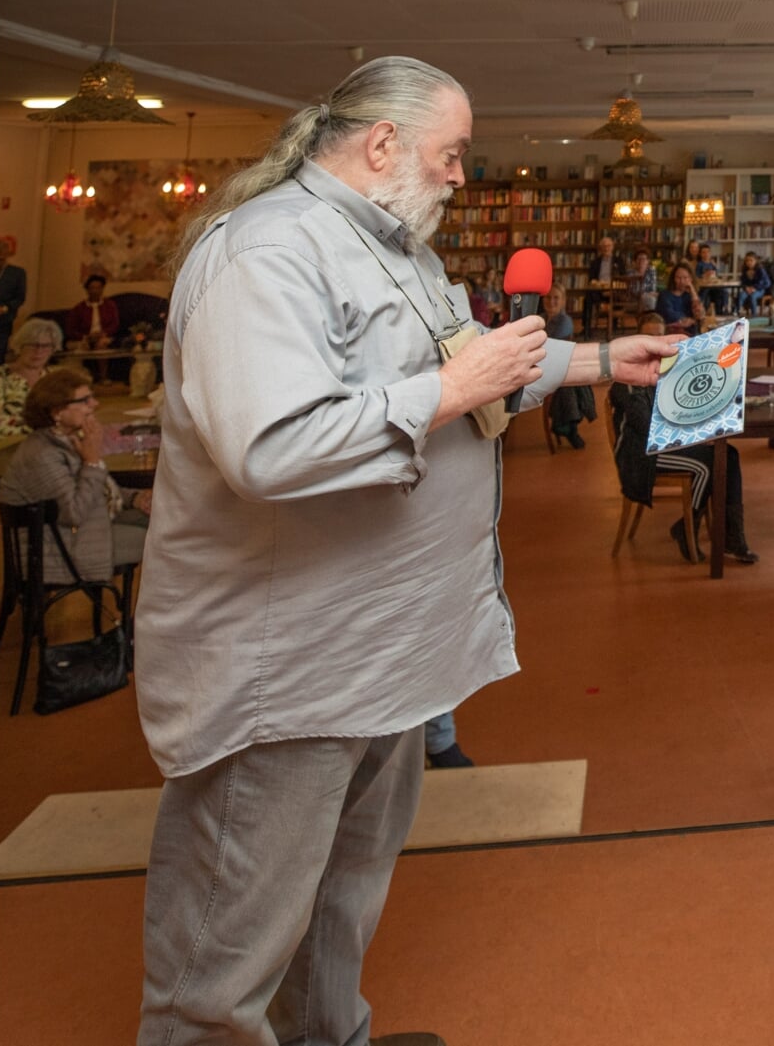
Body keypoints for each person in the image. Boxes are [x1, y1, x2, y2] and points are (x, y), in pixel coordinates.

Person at [129, 56, 674, 1046]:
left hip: (384, 653)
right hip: (287, 669)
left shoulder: (397, 252)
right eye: (454, 154)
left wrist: (601, 361)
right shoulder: (268, 251)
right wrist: (451, 391)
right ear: (383, 143)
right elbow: (269, 445)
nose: (465, 176)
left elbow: (465, 353)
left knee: (338, 901)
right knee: (226, 947)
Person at [610, 312, 758, 564]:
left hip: (665, 445)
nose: (656, 343)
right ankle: (687, 528)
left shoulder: (668, 369)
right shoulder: (629, 379)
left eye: (660, 336)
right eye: (650, 337)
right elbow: (648, 426)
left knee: (728, 455)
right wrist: (695, 434)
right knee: (705, 466)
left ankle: (733, 537)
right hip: (642, 456)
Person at [0, 368, 151, 584]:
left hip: (78, 532)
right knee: (163, 538)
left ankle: (145, 614)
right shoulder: (42, 454)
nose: (94, 404)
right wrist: (92, 461)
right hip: (59, 550)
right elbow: (74, 512)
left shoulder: (64, 439)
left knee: (163, 519)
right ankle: (153, 614)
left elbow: (97, 490)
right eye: (84, 400)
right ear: (56, 412)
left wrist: (135, 498)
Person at [0, 317, 63, 442]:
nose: (39, 351)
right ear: (19, 346)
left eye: (46, 345)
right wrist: (41, 431)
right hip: (11, 447)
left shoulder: (56, 378)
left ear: (53, 349)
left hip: (55, 443)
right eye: (32, 345)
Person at [544, 282, 596, 449]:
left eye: (556, 298)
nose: (551, 301)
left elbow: (549, 347)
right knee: (568, 378)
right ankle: (567, 427)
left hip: (553, 365)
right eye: (548, 297)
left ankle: (566, 426)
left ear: (563, 301)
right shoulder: (541, 319)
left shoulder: (564, 321)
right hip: (546, 365)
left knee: (566, 381)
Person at [66, 274, 123, 383]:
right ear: (87, 290)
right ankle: (78, 379)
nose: (95, 291)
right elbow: (71, 329)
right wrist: (85, 336)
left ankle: (103, 377)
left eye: (98, 288)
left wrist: (103, 333)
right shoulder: (79, 308)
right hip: (84, 337)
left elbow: (115, 324)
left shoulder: (110, 305)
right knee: (80, 348)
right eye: (92, 288)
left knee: (101, 345)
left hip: (104, 336)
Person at [0, 234, 27, 366]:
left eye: (4, 247)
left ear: (11, 250)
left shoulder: (17, 273)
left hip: (3, 321)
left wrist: (3, 309)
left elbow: (20, 297)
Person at [655, 262, 706, 335]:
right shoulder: (665, 295)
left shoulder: (691, 295)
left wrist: (692, 291)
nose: (682, 281)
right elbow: (670, 315)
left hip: (692, 334)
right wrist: (691, 321)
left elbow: (700, 315)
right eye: (678, 278)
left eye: (685, 278)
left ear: (691, 279)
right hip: (672, 333)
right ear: (673, 279)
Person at [735, 251, 771, 316]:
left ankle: (754, 315)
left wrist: (755, 288)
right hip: (748, 289)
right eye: (747, 261)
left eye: (751, 260)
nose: (749, 262)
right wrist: (746, 287)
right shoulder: (745, 270)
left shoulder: (760, 270)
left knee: (752, 297)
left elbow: (767, 283)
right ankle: (736, 313)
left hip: (759, 289)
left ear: (755, 261)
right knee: (741, 295)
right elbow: (742, 282)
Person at [626, 246, 658, 312]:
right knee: (651, 301)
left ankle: (645, 320)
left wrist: (644, 294)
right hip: (633, 302)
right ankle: (649, 320)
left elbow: (653, 289)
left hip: (647, 300)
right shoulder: (630, 273)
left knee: (652, 301)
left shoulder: (651, 271)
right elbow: (633, 292)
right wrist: (646, 294)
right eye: (639, 259)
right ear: (635, 261)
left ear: (648, 261)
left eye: (644, 259)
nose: (641, 261)